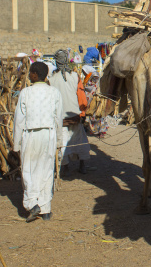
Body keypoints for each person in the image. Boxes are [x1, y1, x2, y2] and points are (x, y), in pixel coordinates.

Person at [12, 61, 63, 222]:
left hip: (31, 134)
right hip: (49, 134)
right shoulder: (54, 92)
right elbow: (58, 118)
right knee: (47, 170)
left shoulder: (26, 93)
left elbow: (19, 120)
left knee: (28, 170)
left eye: (30, 73)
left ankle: (32, 204)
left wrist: (16, 143)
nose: (29, 76)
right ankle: (45, 209)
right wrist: (59, 141)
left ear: (34, 75)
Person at [49, 49, 95, 174]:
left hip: (60, 118)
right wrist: (83, 112)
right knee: (80, 141)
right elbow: (81, 97)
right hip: (75, 115)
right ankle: (82, 165)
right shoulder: (75, 76)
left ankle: (65, 167)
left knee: (62, 142)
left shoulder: (51, 79)